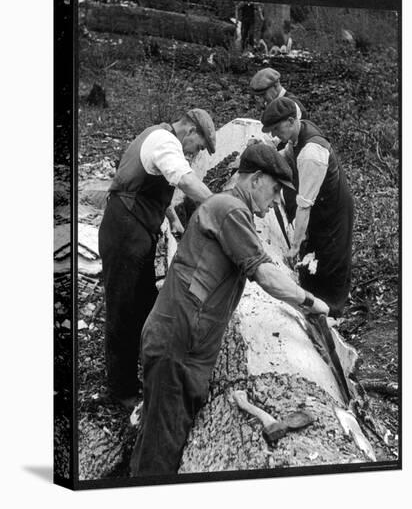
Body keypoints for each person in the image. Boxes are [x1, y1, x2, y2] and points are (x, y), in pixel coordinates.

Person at [130, 142, 329, 476]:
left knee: (169, 430)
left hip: (191, 342)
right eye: (276, 188)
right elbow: (265, 275)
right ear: (254, 180)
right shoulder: (230, 210)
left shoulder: (234, 211)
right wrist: (311, 302)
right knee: (160, 448)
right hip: (178, 340)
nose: (278, 199)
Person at [98, 109, 216, 409]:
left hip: (137, 228)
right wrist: (221, 206)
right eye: (199, 146)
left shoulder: (157, 135)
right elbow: (183, 179)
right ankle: (121, 389)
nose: (195, 153)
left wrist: (173, 218)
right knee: (123, 308)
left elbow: (147, 183)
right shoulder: (165, 141)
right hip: (125, 229)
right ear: (189, 131)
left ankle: (142, 366)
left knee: (144, 300)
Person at [261, 97, 354, 317]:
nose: (274, 134)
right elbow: (285, 156)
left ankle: (333, 314)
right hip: (320, 206)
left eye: (277, 128)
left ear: (292, 121)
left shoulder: (311, 153)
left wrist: (294, 246)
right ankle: (316, 301)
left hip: (333, 208)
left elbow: (304, 205)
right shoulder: (297, 136)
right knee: (316, 252)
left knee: (331, 258)